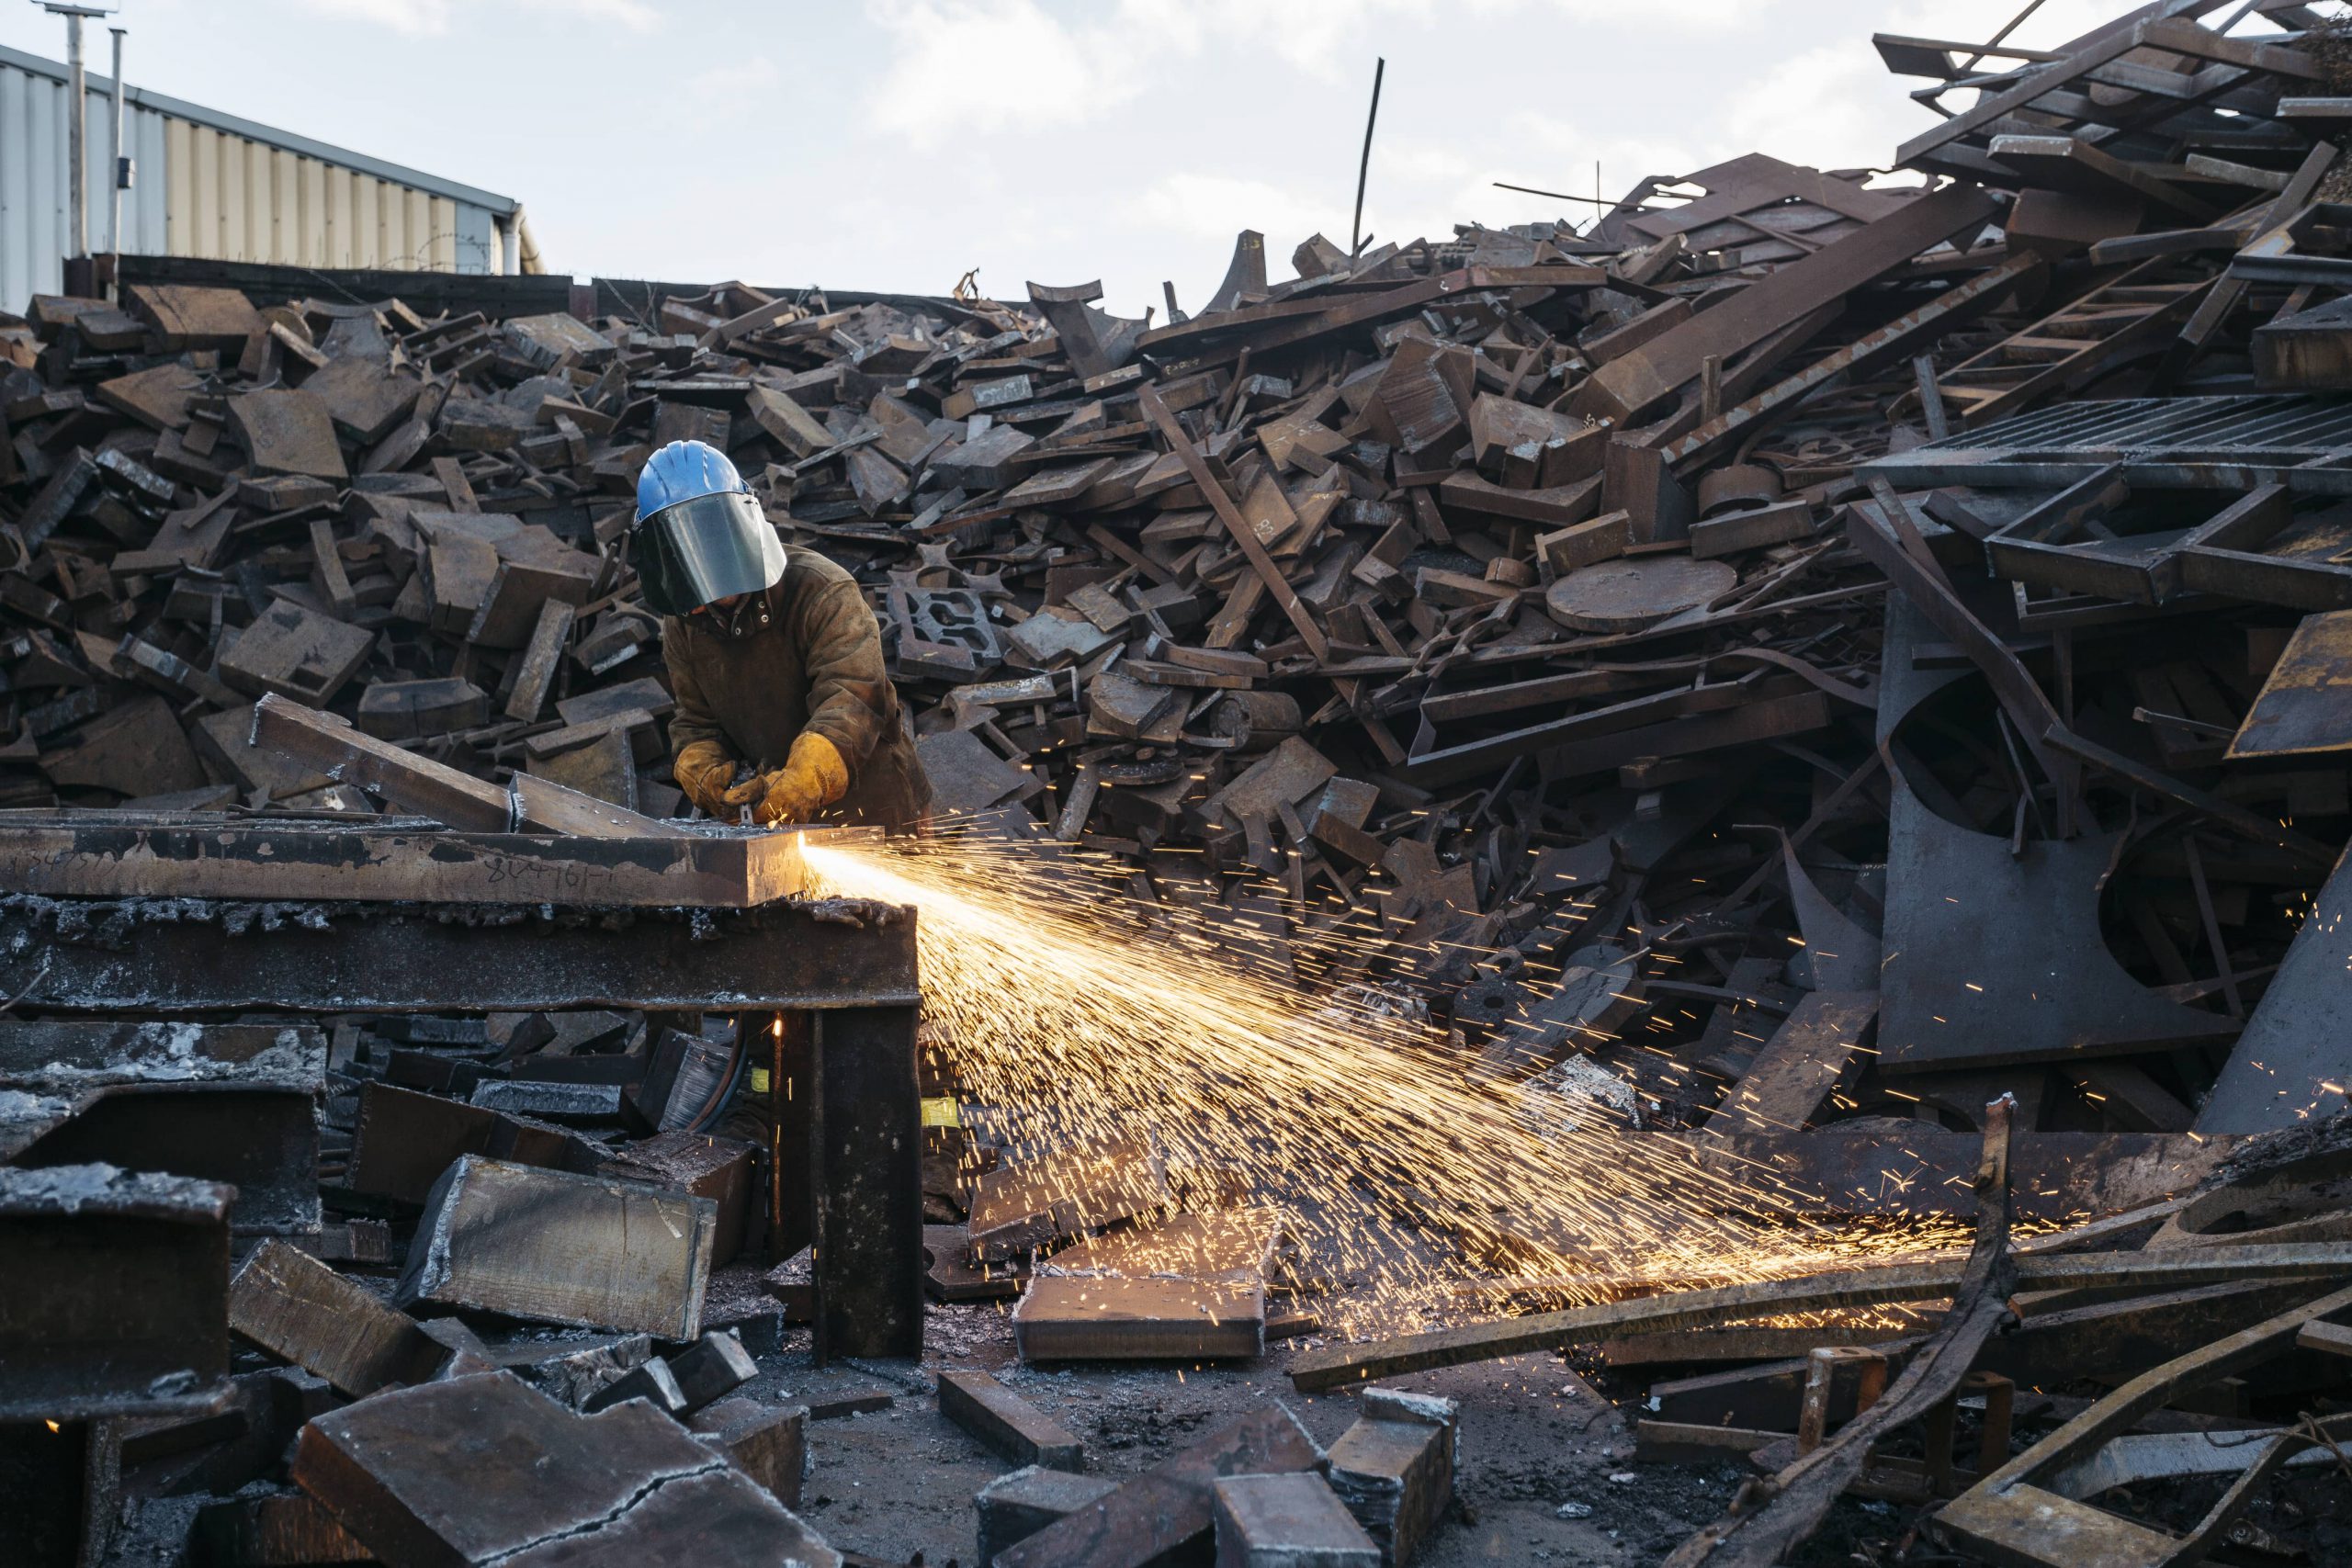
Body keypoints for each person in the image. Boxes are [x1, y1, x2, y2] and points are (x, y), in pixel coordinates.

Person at [633, 439, 932, 830]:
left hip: (879, 808)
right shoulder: (685, 623)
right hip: (774, 824)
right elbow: (696, 718)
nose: (712, 591)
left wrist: (808, 778)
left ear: (739, 530)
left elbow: (853, 695)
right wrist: (700, 765)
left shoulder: (821, 589)